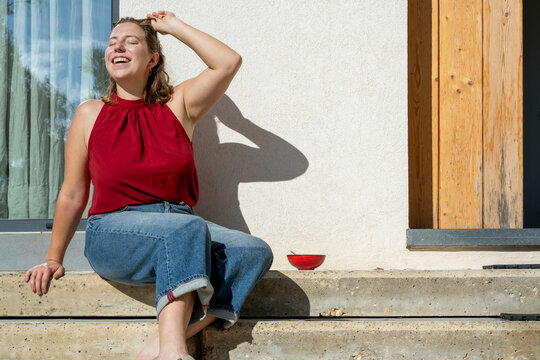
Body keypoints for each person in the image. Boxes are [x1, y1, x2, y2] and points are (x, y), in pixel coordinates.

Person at [24, 10, 273, 360]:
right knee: (184, 229)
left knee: (253, 251)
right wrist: (53, 257)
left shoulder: (179, 105)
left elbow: (227, 62)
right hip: (114, 231)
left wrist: (173, 27)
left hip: (181, 224)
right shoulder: (90, 114)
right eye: (112, 43)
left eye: (131, 41)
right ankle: (173, 352)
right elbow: (73, 192)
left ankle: (166, 341)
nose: (118, 47)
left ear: (152, 58)